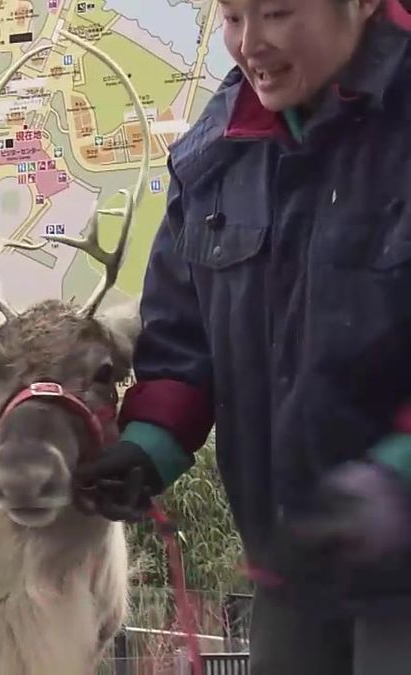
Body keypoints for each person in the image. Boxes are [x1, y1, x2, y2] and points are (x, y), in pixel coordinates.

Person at [72, 0, 411, 673]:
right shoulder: (217, 148)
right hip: (295, 565)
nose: (250, 44)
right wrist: (148, 445)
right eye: (232, 18)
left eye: (279, 13)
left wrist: (396, 479)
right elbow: (182, 335)